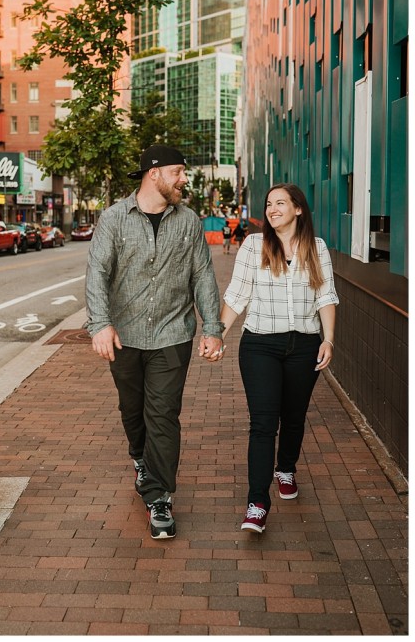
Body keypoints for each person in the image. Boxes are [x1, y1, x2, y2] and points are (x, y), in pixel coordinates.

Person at [85, 144, 225, 539]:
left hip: (172, 333)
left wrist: (212, 327)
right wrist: (100, 324)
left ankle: (159, 494)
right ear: (155, 173)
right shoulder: (113, 219)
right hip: (124, 336)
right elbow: (97, 273)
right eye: (179, 172)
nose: (184, 179)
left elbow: (202, 275)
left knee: (162, 413)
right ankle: (139, 458)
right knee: (133, 410)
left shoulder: (189, 221)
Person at [218, 183, 339, 533]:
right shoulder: (255, 245)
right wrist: (217, 336)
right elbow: (237, 295)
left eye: (280, 203)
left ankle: (286, 467)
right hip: (260, 346)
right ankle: (257, 502)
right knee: (263, 423)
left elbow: (325, 295)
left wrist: (328, 339)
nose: (272, 209)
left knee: (295, 416)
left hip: (304, 345)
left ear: (298, 209)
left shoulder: (316, 248)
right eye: (269, 203)